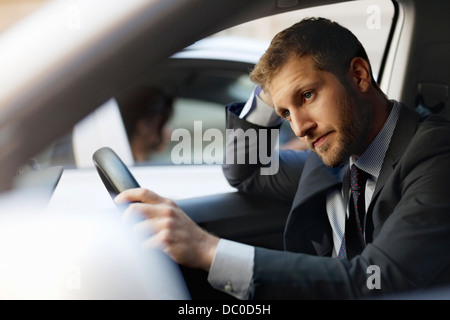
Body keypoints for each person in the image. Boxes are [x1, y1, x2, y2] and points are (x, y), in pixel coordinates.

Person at [114, 18, 450, 299]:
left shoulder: (436, 153)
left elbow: (375, 278)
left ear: (359, 75)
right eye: (286, 113)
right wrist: (270, 91)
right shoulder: (333, 157)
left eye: (308, 95)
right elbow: (248, 171)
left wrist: (207, 250)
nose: (301, 128)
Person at [118, 87, 173, 163]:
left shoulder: (142, 165)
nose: (169, 133)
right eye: (164, 124)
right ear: (144, 126)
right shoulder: (125, 165)